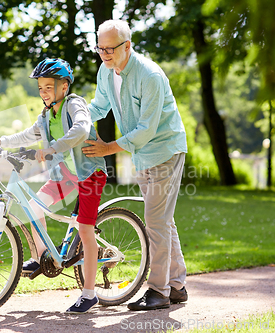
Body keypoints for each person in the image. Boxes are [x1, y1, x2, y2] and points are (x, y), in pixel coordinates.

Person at [0, 58, 107, 313]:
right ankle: (42, 258)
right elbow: (28, 135)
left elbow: (82, 129)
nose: (43, 93)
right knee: (33, 207)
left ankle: (90, 293)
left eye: (48, 87)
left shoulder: (75, 104)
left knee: (85, 229)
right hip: (65, 174)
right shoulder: (46, 115)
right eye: (40, 88)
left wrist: (52, 148)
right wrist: (1, 140)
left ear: (64, 86)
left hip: (89, 172)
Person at [82, 20, 189, 311]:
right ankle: (177, 285)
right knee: (163, 220)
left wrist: (108, 148)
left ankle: (159, 292)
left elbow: (146, 130)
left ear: (127, 46)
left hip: (165, 150)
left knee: (156, 221)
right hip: (142, 155)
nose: (104, 54)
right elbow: (99, 106)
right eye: (99, 47)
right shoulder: (106, 71)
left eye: (110, 48)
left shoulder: (149, 75)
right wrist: (73, 118)